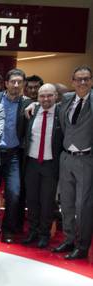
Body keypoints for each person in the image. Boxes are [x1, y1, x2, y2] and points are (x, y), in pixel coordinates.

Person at [0, 68, 32, 243]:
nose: (16, 85)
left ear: (23, 84)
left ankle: (8, 230)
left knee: (14, 193)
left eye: (19, 82)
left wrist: (35, 105)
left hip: (13, 155)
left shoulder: (27, 103)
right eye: (12, 81)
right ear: (6, 83)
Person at [54, 66, 93, 260]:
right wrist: (33, 105)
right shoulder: (67, 99)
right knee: (66, 203)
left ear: (91, 81)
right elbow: (49, 104)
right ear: (73, 82)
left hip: (86, 159)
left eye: (87, 79)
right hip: (66, 157)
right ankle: (69, 239)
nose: (83, 82)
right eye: (79, 79)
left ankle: (82, 245)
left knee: (82, 206)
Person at [23, 83, 62, 249]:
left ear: (56, 96)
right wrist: (33, 104)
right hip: (31, 163)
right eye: (42, 96)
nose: (46, 99)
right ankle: (32, 231)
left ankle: (44, 234)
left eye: (49, 95)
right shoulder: (32, 111)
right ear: (37, 98)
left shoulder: (61, 112)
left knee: (47, 202)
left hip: (50, 164)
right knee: (32, 200)